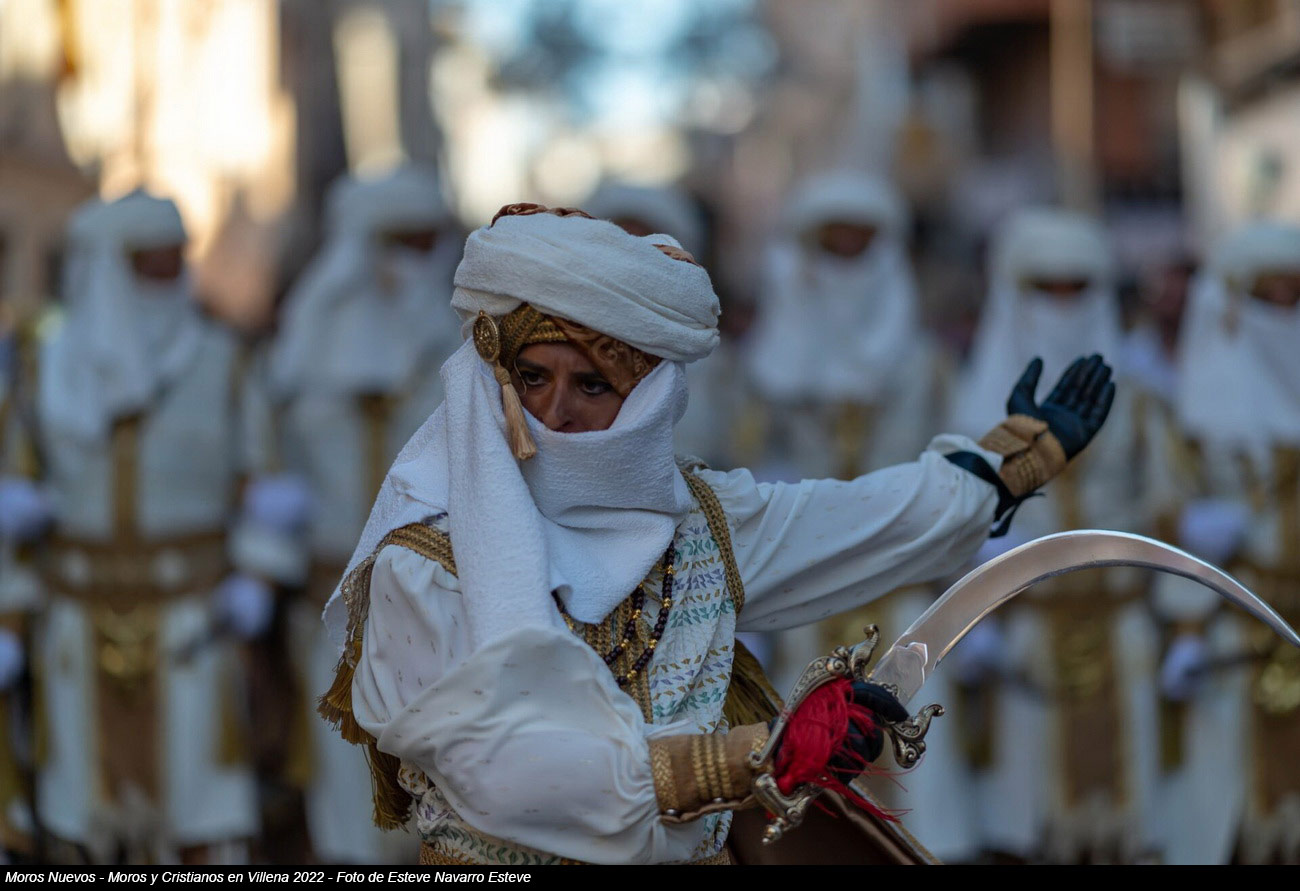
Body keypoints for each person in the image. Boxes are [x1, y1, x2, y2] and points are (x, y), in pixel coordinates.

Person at [319, 203, 1114, 865]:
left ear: (647, 398)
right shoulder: (423, 559)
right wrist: (756, 753)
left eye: (591, 383)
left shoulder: (698, 524)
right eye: (531, 377)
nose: (554, 411)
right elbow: (504, 770)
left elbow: (855, 521)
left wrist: (1000, 470)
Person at [27, 191, 269, 862]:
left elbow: (263, 482)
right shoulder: (45, 365)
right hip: (74, 622)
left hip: (193, 622)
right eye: (152, 264)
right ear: (112, 266)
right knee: (84, 814)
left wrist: (257, 579)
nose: (171, 277)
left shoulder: (224, 360)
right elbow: (18, 485)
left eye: (175, 261)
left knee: (200, 816)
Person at [255, 165, 460, 863]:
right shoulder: (301, 354)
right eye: (401, 243)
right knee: (345, 787)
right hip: (331, 609)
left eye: (428, 244)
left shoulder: (468, 352)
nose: (414, 263)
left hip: (450, 609)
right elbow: (266, 469)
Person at [947, 207, 1160, 863]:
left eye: (1078, 287)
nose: (1063, 304)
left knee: (1132, 817)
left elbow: (1167, 504)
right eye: (1046, 288)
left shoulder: (1140, 398)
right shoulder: (970, 402)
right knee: (1025, 811)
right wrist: (968, 613)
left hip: (1121, 622)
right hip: (1021, 629)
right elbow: (940, 514)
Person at [1153, 220, 1300, 864]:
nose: (1281, 312)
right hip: (1234, 625)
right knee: (1229, 796)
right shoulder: (1195, 410)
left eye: (1293, 296)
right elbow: (1168, 512)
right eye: (1267, 297)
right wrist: (1186, 628)